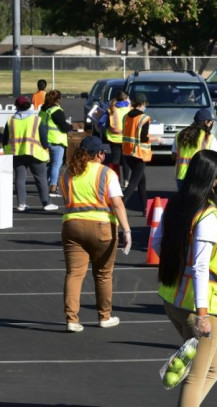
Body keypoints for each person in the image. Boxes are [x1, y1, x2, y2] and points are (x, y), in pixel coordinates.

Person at [154, 150, 217, 407]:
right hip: (202, 308)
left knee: (215, 366)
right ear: (212, 177)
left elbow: (158, 242)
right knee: (194, 377)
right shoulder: (208, 215)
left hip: (174, 300)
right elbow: (201, 267)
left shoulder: (177, 204)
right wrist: (203, 314)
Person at [60, 136, 131, 332]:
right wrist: (127, 229)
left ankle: (72, 319)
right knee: (103, 275)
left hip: (72, 225)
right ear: (98, 154)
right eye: (103, 153)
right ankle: (104, 316)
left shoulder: (68, 173)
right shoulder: (106, 173)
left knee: (74, 274)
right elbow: (117, 203)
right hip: (102, 226)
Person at [2, 96, 58, 212]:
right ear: (29, 105)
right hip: (35, 153)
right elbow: (43, 138)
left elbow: (5, 139)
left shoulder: (10, 120)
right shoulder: (36, 120)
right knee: (41, 178)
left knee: (19, 178)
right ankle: (46, 203)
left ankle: (21, 203)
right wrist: (46, 148)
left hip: (17, 153)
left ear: (16, 106)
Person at [122, 93, 158, 215]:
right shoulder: (144, 118)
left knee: (142, 181)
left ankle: (145, 208)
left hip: (127, 153)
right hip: (138, 154)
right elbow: (144, 138)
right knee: (133, 183)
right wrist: (157, 139)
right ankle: (120, 204)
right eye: (145, 104)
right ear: (143, 104)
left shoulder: (126, 117)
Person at [172, 108, 217, 190]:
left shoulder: (179, 134)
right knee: (197, 202)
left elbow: (174, 156)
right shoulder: (209, 137)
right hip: (200, 178)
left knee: (184, 202)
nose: (212, 123)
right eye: (210, 121)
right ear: (206, 122)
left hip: (181, 177)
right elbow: (216, 160)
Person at [38, 90, 72, 197]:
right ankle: (53, 187)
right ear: (58, 100)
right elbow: (64, 127)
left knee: (49, 165)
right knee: (56, 165)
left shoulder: (43, 110)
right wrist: (70, 126)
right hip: (57, 141)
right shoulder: (56, 111)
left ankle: (46, 184)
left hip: (44, 141)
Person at [102, 90, 132, 186]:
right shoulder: (130, 109)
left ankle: (115, 180)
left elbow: (102, 123)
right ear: (126, 98)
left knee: (115, 160)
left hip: (114, 138)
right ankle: (126, 180)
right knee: (125, 161)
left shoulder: (111, 109)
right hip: (126, 139)